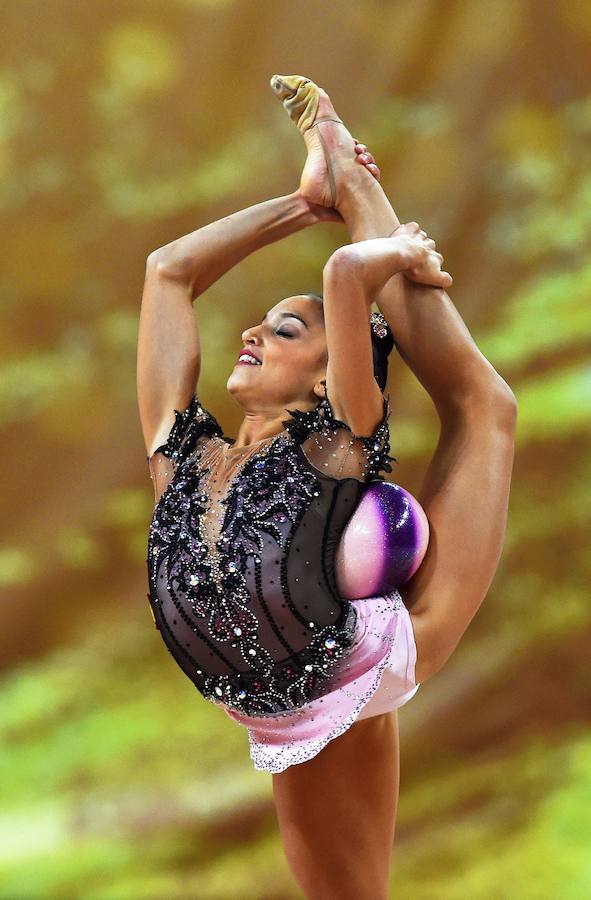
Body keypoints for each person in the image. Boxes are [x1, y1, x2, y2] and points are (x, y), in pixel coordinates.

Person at [137, 75, 517, 900]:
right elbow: (167, 272)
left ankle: (356, 182)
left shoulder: (334, 441)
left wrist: (390, 248)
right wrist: (301, 204)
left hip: (369, 657)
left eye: (284, 329)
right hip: (277, 710)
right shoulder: (179, 455)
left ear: (325, 380)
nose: (251, 331)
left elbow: (347, 274)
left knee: (483, 407)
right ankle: (338, 177)